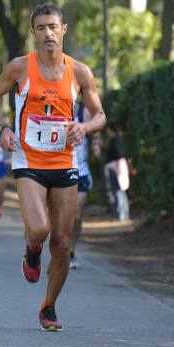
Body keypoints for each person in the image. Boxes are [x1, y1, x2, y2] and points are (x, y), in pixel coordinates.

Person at [0, 3, 106, 332]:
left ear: (63, 30)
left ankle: (49, 306)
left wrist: (86, 128)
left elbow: (100, 115)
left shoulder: (80, 72)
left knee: (63, 244)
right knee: (39, 229)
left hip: (65, 162)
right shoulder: (20, 67)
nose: (48, 33)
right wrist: (3, 129)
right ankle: (32, 250)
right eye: (41, 28)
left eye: (53, 26)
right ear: (34, 33)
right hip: (29, 160)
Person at [69, 102, 102, 269]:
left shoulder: (84, 113)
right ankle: (59, 248)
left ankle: (71, 252)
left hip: (81, 172)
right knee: (59, 217)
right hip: (58, 172)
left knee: (77, 216)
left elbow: (96, 133)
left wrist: (96, 144)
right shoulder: (54, 109)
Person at [104, 119, 130, 221]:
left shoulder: (115, 140)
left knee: (117, 192)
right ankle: (124, 215)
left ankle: (121, 216)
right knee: (121, 192)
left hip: (116, 168)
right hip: (121, 167)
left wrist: (118, 169)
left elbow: (119, 155)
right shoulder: (120, 139)